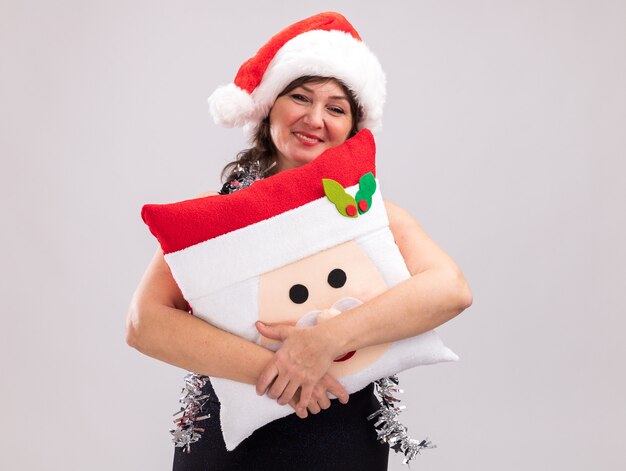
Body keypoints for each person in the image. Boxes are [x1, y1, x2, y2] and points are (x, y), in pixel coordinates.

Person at [126, 12, 472, 470]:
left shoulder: (369, 214)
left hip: (341, 438)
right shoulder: (213, 216)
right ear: (270, 106)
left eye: (335, 108)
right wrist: (286, 370)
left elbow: (450, 289)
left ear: (353, 129)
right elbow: (144, 323)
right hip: (229, 445)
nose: (314, 119)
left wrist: (325, 341)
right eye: (300, 98)